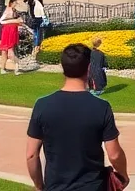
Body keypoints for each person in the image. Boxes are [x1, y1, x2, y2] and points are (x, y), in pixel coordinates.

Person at [26, 43, 127, 191]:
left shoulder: (42, 105)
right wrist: (124, 175)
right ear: (88, 68)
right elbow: (114, 154)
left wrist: (39, 186)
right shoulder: (101, 107)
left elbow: (31, 155)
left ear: (63, 68)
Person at [0, 0, 23, 75]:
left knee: (6, 50)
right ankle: (16, 68)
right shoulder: (9, 11)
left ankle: (4, 68)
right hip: (9, 32)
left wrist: (17, 21)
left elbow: (20, 21)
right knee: (10, 50)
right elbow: (1, 21)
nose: (16, 4)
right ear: (11, 3)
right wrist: (15, 21)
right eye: (15, 3)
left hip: (11, 31)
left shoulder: (13, 11)